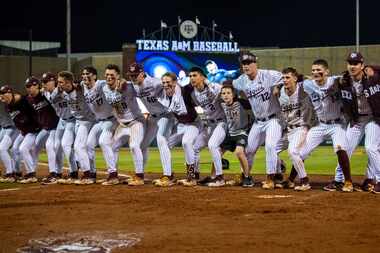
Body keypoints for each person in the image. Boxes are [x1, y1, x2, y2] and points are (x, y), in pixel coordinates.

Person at [232, 51, 285, 189]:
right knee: (248, 150)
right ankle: (246, 175)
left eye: (249, 63)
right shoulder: (241, 80)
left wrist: (278, 87)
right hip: (258, 121)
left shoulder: (269, 75)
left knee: (270, 146)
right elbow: (230, 85)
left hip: (273, 119)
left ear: (256, 63)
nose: (246, 66)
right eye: (243, 64)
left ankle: (270, 178)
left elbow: (286, 78)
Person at [299, 59, 353, 192]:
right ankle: (295, 180)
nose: (315, 72)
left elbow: (343, 79)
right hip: (320, 125)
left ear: (327, 71)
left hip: (337, 124)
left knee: (340, 148)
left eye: (319, 70)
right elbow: (300, 78)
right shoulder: (308, 84)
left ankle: (348, 182)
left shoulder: (334, 81)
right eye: (313, 70)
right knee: (300, 153)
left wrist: (343, 80)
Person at [332, 52, 380, 193]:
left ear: (362, 65)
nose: (352, 66)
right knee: (344, 149)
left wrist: (374, 68)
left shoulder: (374, 77)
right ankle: (339, 180)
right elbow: (319, 79)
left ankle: (376, 179)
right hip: (357, 119)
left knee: (371, 147)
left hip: (373, 118)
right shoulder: (343, 80)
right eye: (350, 63)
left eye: (355, 63)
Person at [126, 62, 174, 181]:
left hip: (165, 115)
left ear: (142, 74)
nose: (132, 77)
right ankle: (139, 174)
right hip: (152, 117)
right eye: (131, 75)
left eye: (135, 75)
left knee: (161, 140)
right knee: (141, 145)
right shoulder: (134, 85)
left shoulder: (156, 82)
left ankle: (168, 175)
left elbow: (174, 87)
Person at [102, 64, 146, 186]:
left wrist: (125, 83)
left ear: (118, 76)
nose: (109, 77)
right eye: (107, 75)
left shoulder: (127, 86)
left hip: (136, 122)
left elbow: (139, 86)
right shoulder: (104, 88)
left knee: (134, 145)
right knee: (111, 147)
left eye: (112, 75)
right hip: (122, 124)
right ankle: (113, 176)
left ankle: (139, 176)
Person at [278, 67, 317, 191]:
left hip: (301, 127)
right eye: (283, 78)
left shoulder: (304, 88)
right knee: (271, 149)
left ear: (295, 78)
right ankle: (280, 170)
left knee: (293, 151)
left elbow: (315, 81)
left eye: (288, 77)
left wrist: (309, 78)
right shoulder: (280, 91)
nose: (285, 80)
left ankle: (304, 181)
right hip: (287, 129)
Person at [160, 72, 201, 186]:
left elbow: (192, 85)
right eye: (163, 82)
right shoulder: (164, 95)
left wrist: (197, 79)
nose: (166, 85)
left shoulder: (184, 91)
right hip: (181, 125)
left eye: (168, 82)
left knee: (187, 142)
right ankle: (168, 174)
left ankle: (191, 176)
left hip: (194, 124)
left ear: (175, 82)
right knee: (165, 144)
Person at [81, 66, 118, 185]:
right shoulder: (83, 86)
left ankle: (113, 175)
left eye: (88, 74)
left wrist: (119, 82)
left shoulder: (101, 84)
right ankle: (92, 174)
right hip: (99, 122)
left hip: (111, 120)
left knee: (103, 141)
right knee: (88, 144)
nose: (85, 76)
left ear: (95, 76)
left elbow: (115, 82)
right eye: (84, 74)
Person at [57, 71, 96, 185]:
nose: (58, 84)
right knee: (65, 144)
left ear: (69, 83)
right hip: (77, 121)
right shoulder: (63, 92)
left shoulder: (81, 88)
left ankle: (88, 175)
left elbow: (90, 85)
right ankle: (74, 173)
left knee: (79, 146)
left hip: (87, 121)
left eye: (61, 82)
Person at [190, 67, 227, 187]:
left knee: (212, 144)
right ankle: (194, 176)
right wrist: (205, 122)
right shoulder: (193, 94)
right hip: (209, 124)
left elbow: (226, 95)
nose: (192, 78)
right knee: (194, 147)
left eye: (195, 75)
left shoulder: (215, 87)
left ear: (202, 77)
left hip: (222, 122)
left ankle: (219, 178)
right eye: (190, 76)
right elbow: (201, 108)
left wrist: (210, 85)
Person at [0, 85, 41, 183]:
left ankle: (31, 174)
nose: (2, 98)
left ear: (9, 94)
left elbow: (34, 114)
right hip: (24, 131)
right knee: (15, 149)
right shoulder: (8, 105)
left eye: (3, 95)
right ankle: (15, 173)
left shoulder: (23, 101)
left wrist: (35, 126)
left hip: (33, 130)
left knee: (23, 149)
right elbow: (18, 120)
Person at [42, 72, 77, 182]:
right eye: (43, 82)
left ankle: (74, 171)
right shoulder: (46, 93)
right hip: (61, 120)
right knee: (56, 146)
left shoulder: (64, 90)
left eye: (47, 82)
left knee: (66, 145)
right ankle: (57, 172)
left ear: (54, 82)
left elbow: (74, 89)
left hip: (72, 120)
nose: (44, 84)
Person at [25, 77, 61, 184]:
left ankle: (54, 173)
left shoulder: (45, 94)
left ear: (37, 85)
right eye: (27, 86)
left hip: (55, 126)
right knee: (35, 146)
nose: (28, 88)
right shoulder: (29, 99)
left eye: (30, 86)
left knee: (51, 147)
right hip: (45, 128)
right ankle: (32, 173)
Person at [219, 81, 254, 187]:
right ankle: (215, 177)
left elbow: (253, 106)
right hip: (230, 134)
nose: (226, 95)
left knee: (239, 152)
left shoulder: (241, 102)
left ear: (233, 94)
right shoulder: (221, 104)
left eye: (228, 93)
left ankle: (247, 177)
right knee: (217, 153)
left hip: (242, 132)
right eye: (223, 93)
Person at [0, 99, 19, 182]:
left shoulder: (7, 101)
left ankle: (11, 173)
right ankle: (13, 171)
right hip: (3, 128)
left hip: (13, 128)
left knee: (3, 148)